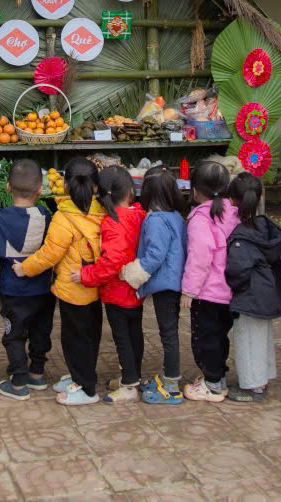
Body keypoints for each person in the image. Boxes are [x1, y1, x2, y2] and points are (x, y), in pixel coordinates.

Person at [13, 158, 105, 406]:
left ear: (64, 185)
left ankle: (86, 388)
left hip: (72, 290)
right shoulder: (103, 210)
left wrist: (25, 268)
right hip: (94, 286)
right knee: (90, 336)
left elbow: (49, 254)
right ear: (96, 186)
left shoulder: (64, 218)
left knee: (75, 340)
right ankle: (80, 376)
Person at [0, 159, 55, 400]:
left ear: (8, 187)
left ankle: (19, 381)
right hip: (43, 289)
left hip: (14, 291)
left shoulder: (2, 219)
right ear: (40, 190)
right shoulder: (46, 216)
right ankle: (37, 373)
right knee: (41, 331)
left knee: (14, 335)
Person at [76, 166, 146, 404]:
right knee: (135, 334)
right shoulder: (139, 215)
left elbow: (112, 261)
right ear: (131, 192)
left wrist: (87, 275)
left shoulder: (112, 222)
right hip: (136, 289)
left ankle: (129, 385)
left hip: (117, 292)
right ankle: (133, 376)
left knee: (123, 339)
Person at [120, 167, 187, 405]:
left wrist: (133, 274)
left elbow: (155, 255)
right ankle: (169, 377)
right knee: (170, 332)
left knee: (168, 334)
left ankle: (171, 386)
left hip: (165, 285)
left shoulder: (156, 220)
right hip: (173, 282)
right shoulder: (175, 216)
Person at [223, 172, 281, 402]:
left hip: (249, 297)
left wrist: (231, 286)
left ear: (233, 201)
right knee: (263, 338)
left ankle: (253, 386)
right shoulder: (266, 228)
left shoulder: (241, 237)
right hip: (267, 293)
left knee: (249, 341)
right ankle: (263, 377)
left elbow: (237, 271)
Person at [181, 160, 240, 402]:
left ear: (195, 191)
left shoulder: (200, 219)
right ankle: (218, 377)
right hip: (230, 290)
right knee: (219, 338)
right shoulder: (234, 212)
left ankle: (213, 384)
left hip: (208, 294)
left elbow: (199, 258)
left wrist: (189, 291)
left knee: (205, 340)